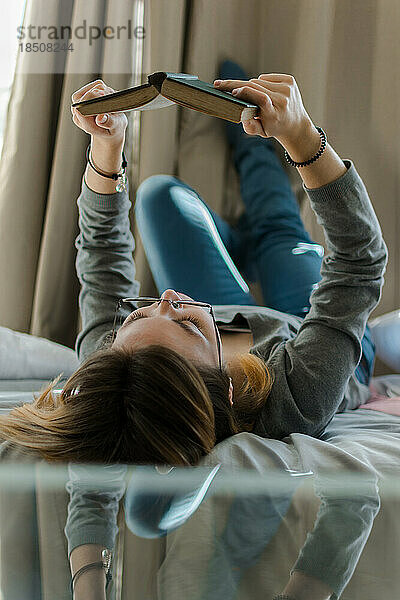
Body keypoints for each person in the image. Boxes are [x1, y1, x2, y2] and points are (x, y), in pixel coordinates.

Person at [0, 61, 387, 599]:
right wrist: (302, 137)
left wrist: (106, 149)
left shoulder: (124, 364)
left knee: (159, 196)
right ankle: (259, 189)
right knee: (281, 227)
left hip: (229, 316)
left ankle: (238, 242)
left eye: (139, 316)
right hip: (307, 319)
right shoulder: (294, 402)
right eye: (180, 320)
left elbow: (103, 264)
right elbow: (359, 263)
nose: (164, 298)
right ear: (228, 386)